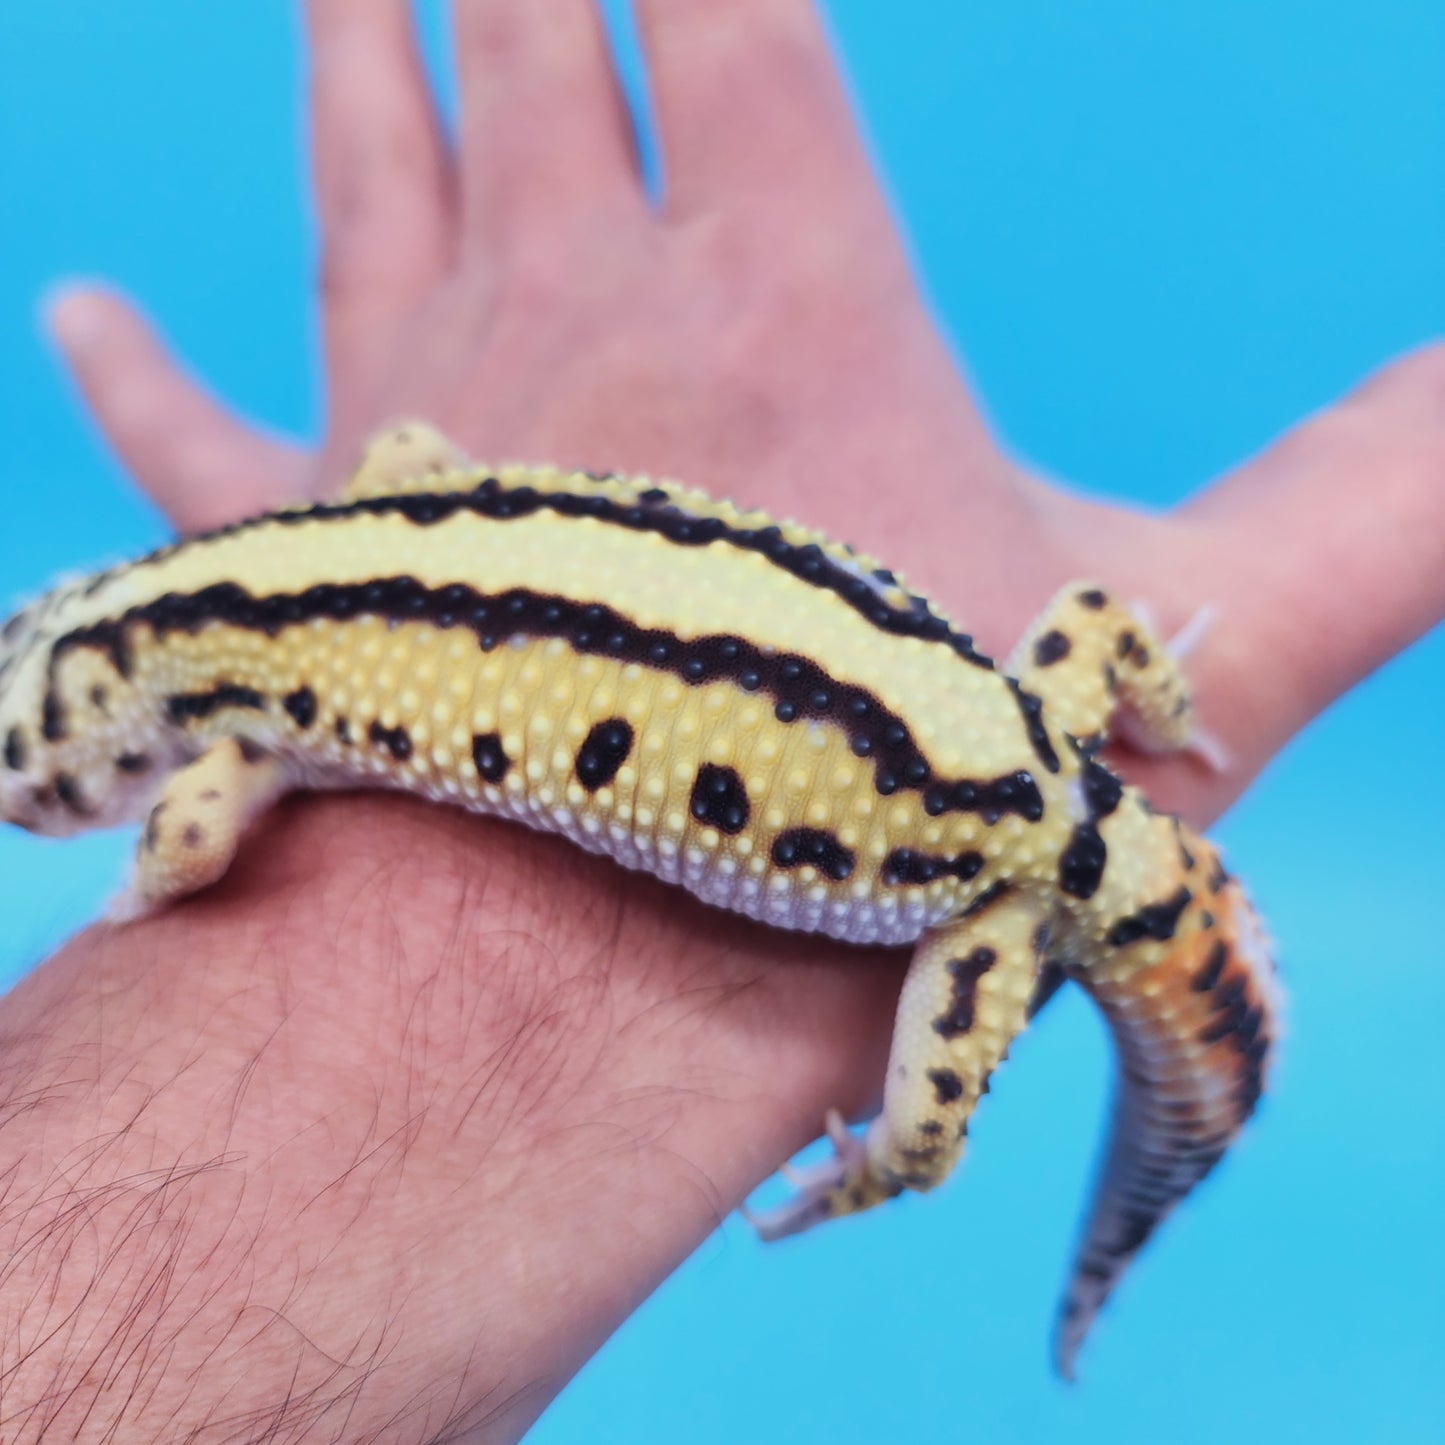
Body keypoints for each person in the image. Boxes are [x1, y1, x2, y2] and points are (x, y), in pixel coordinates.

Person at [6, 1, 1442, 1438]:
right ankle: (1136, 810)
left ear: (115, 748)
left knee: (916, 1130)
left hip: (996, 874)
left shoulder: (220, 766)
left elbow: (186, 852)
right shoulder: (355, 512)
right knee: (1079, 634)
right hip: (1011, 723)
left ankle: (928, 1184)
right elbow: (411, 454)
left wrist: (133, 902)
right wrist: (1160, 714)